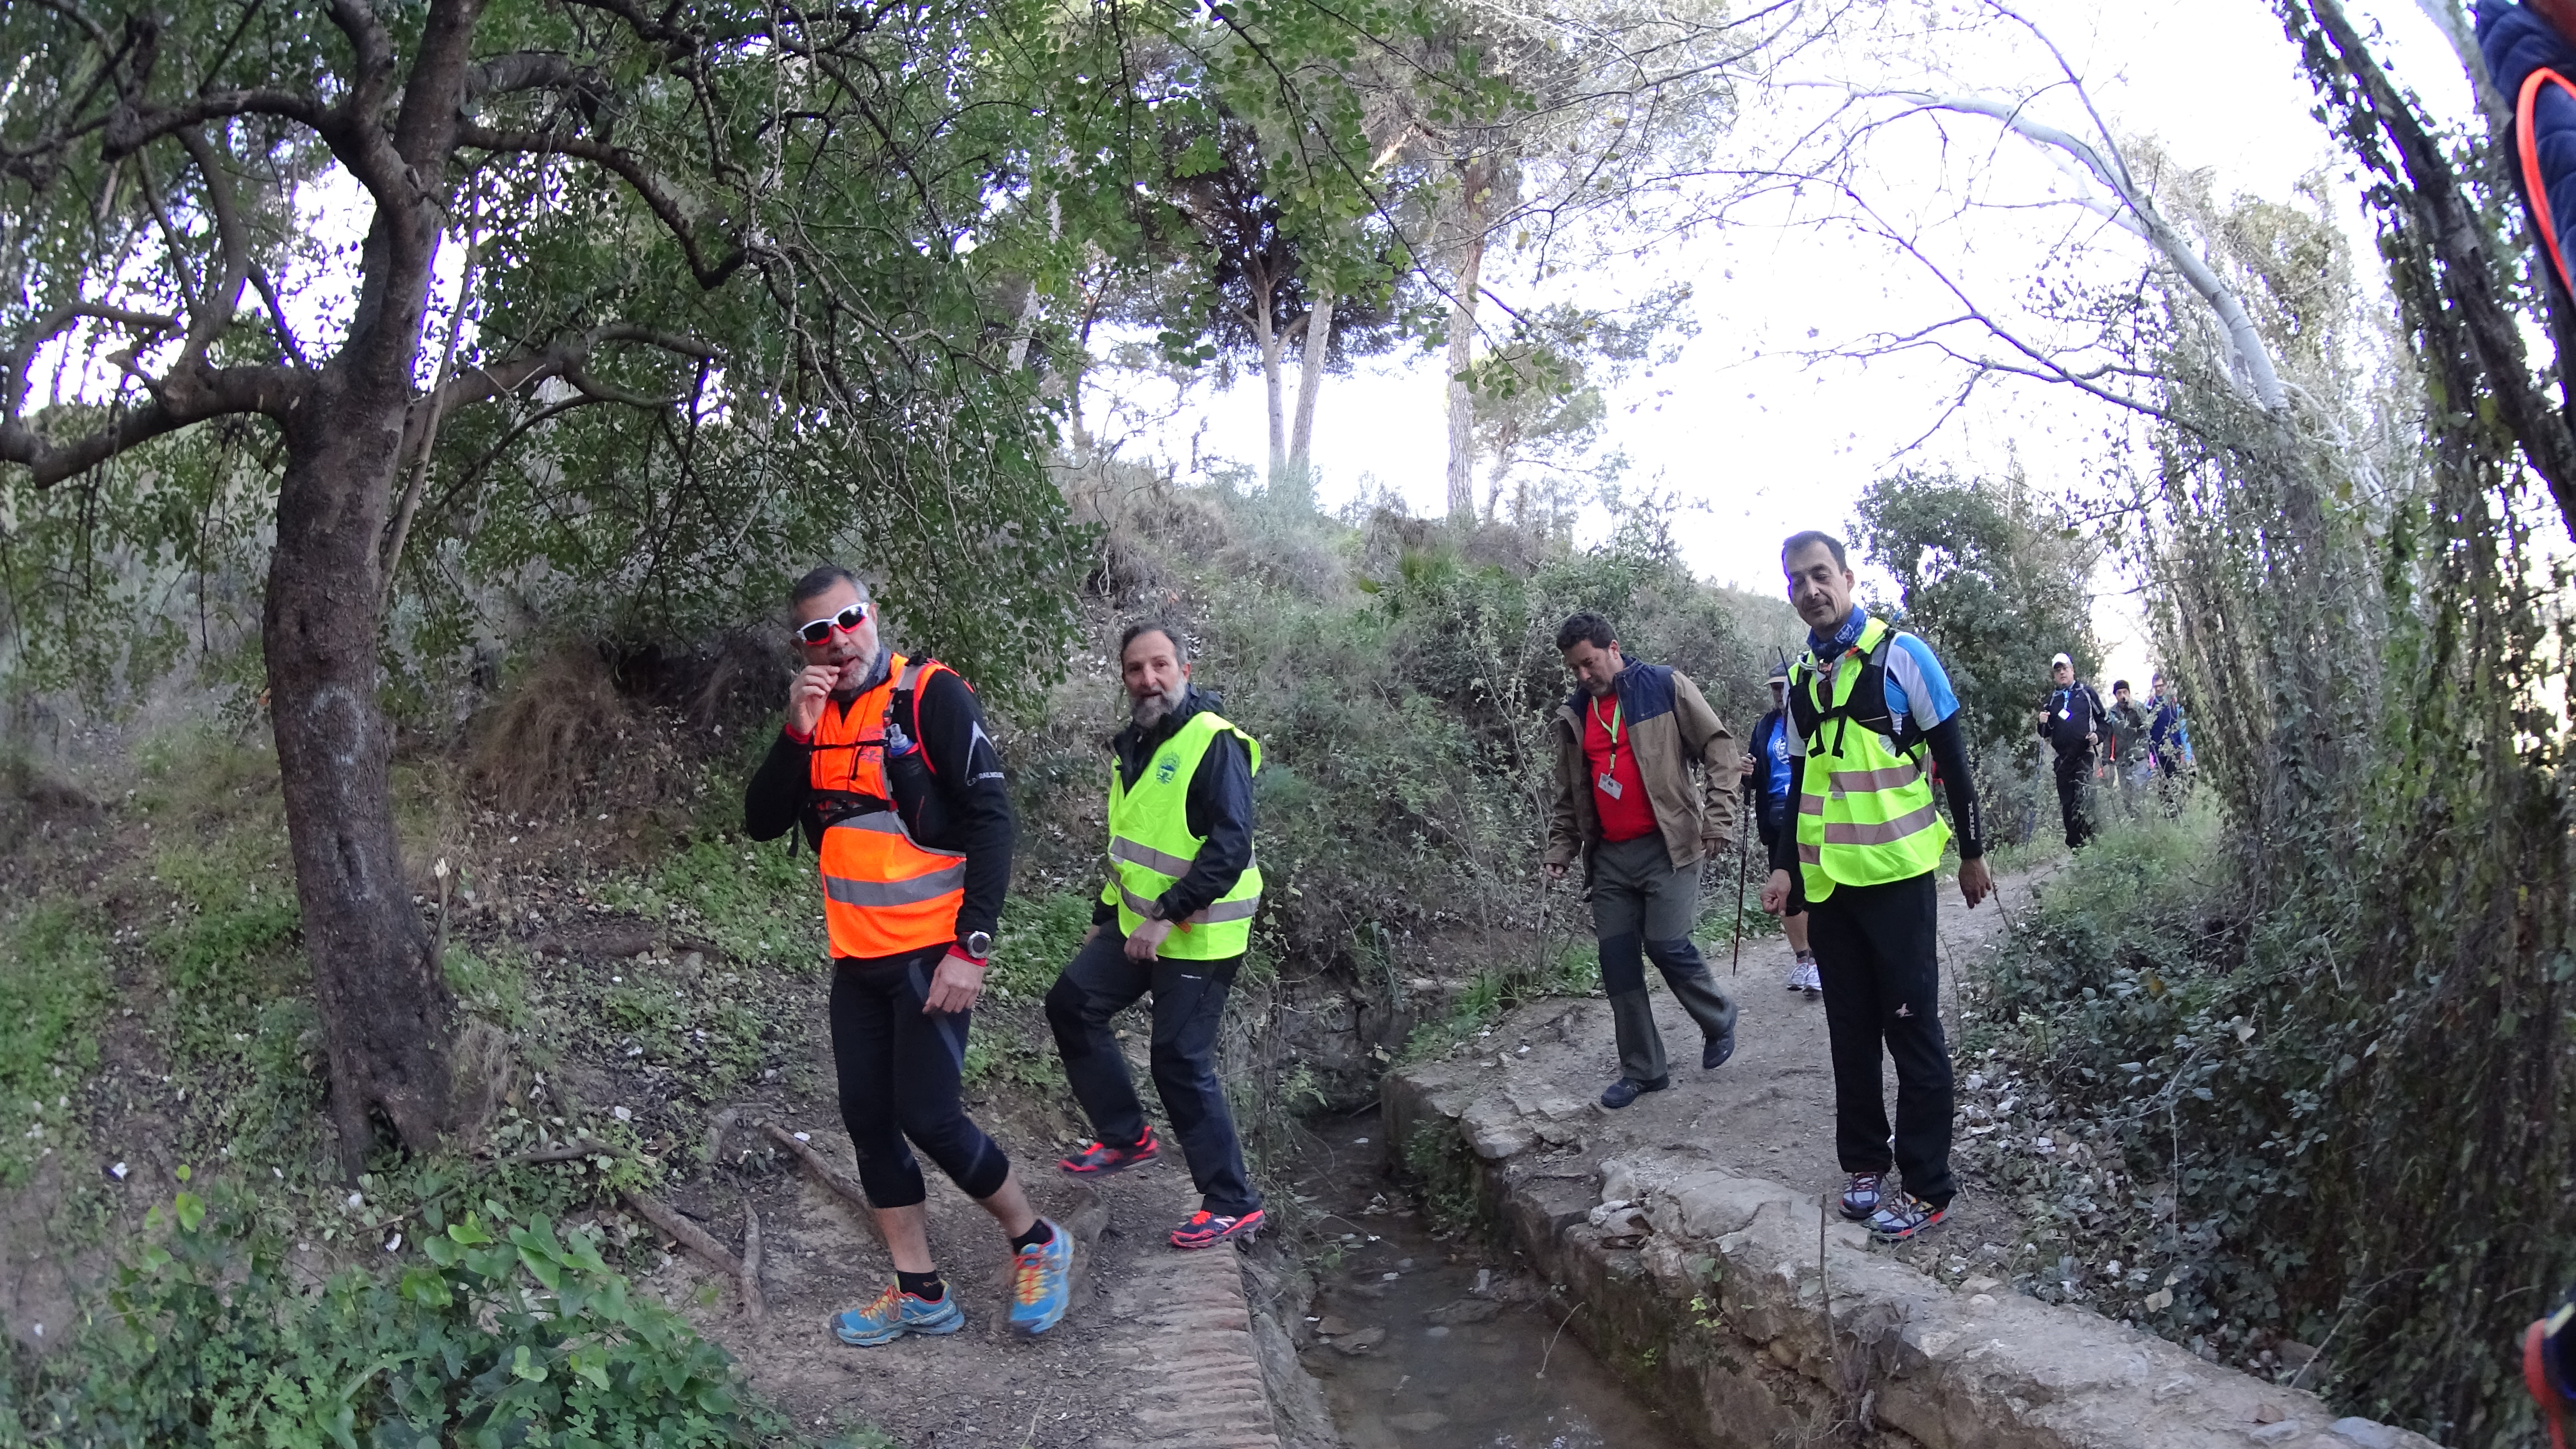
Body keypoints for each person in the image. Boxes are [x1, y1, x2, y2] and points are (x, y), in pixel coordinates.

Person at [744, 565, 1071, 1343]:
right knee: (867, 1119)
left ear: (871, 613)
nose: (839, 640)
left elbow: (992, 821)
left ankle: (1037, 1241)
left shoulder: (931, 696)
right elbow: (761, 820)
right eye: (818, 632)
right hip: (856, 961)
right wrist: (795, 728)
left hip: (932, 954)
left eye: (848, 619)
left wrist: (974, 947)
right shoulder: (815, 714)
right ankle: (920, 1289)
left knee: (928, 1115)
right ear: (804, 644)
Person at [1760, 531, 1991, 1243]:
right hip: (1831, 888)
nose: (1810, 591)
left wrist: (1974, 853)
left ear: (1849, 578)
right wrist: (1785, 867)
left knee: (1912, 1030)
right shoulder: (1803, 680)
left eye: (1820, 575)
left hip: (1897, 878)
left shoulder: (1903, 657)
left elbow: (1953, 754)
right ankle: (1864, 1163)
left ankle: (1928, 1187)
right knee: (1849, 1033)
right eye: (1797, 581)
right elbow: (1800, 785)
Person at [1045, 622, 1268, 1251]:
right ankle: (1125, 1136)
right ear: (1125, 678)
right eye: (1136, 669)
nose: (1149, 679)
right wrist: (1103, 915)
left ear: (1185, 670)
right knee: (1071, 1002)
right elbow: (1130, 849)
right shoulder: (1136, 745)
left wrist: (1168, 914)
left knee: (1178, 1059)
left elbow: (1230, 847)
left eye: (1161, 665)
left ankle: (1232, 1201)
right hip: (1138, 921)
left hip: (1202, 933)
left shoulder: (1214, 743)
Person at [1542, 613, 1744, 1110]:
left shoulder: (1663, 685)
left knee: (1666, 943)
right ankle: (1645, 1070)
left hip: (1669, 845)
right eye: (1574, 669)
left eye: (1589, 663)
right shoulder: (1575, 715)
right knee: (1617, 964)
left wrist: (1718, 819)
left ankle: (1719, 1017)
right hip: (1609, 857)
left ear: (1613, 648)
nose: (1583, 676)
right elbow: (1570, 794)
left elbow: (1720, 749)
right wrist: (1561, 849)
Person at [1741, 666, 1819, 995]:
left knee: (1816, 887)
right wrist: (1747, 773)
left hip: (1814, 815)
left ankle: (1822, 961)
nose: (1778, 694)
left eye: (1783, 687)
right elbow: (1758, 777)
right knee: (1787, 890)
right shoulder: (1765, 726)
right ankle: (1804, 962)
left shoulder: (1814, 717)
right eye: (1774, 688)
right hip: (1776, 817)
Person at [2037, 652, 2105, 849]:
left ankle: (2093, 843)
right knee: (2067, 805)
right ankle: (2077, 849)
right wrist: (2041, 722)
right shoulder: (2053, 699)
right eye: (2058, 671)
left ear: (2072, 670)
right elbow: (2044, 732)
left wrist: (2097, 736)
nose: (2062, 673)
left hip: (2084, 754)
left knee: (2084, 800)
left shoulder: (2087, 693)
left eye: (2065, 669)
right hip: (2062, 759)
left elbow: (2104, 722)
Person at [2104, 679, 2152, 820]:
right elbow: (2108, 738)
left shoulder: (2139, 708)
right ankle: (2136, 826)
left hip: (2139, 758)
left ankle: (2145, 825)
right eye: (2119, 693)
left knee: (2139, 793)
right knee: (2127, 799)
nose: (2122, 696)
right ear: (2115, 695)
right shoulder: (2112, 713)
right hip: (2122, 761)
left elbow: (2147, 725)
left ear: (2129, 693)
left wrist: (2134, 708)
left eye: (2125, 692)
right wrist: (2106, 761)